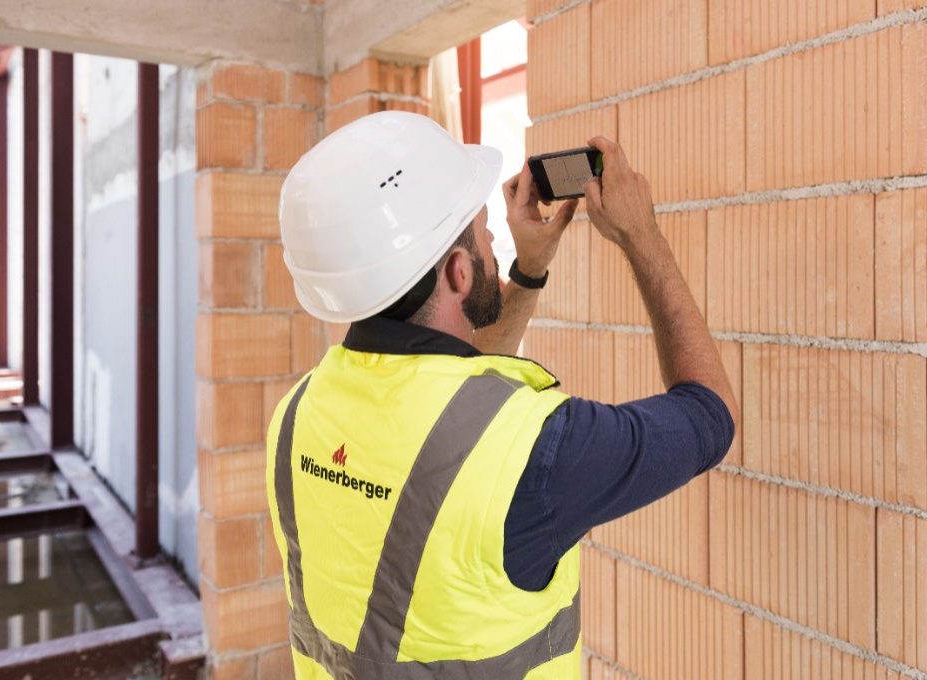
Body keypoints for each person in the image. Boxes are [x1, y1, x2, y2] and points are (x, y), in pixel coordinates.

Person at [267, 111, 739, 679]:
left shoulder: (297, 414)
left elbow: (451, 401)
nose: (494, 238)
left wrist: (529, 269)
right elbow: (712, 415)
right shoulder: (533, 453)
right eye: (482, 229)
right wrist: (642, 236)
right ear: (460, 274)